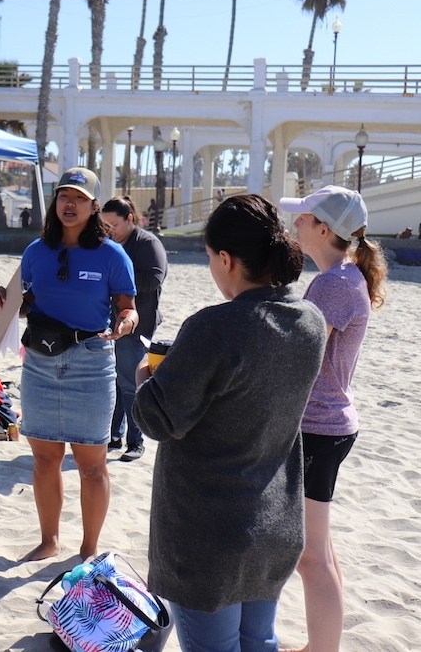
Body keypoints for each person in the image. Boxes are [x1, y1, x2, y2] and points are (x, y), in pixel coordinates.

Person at [132, 194, 327, 652]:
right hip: (275, 520)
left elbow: (158, 419)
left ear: (225, 258)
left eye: (210, 259)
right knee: (259, 642)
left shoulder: (215, 326)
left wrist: (145, 375)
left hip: (208, 532)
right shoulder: (310, 322)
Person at [0, 168, 138, 562]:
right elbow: (26, 305)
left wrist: (125, 324)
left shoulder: (112, 255)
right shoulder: (36, 251)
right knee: (44, 459)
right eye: (63, 197)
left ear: (93, 206)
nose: (69, 204)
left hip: (90, 363)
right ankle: (50, 541)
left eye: (79, 198)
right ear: (55, 204)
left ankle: (88, 549)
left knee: (91, 464)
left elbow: (128, 308)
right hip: (38, 362)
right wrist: (6, 303)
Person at [278, 186, 387, 652]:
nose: (293, 225)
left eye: (300, 219)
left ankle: (322, 649)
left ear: (323, 229)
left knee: (309, 558)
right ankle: (321, 645)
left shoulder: (334, 283)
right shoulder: (341, 276)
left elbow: (302, 356)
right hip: (330, 423)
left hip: (319, 427)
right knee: (319, 551)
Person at [99, 196, 167, 462]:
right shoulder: (109, 244)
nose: (108, 230)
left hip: (139, 325)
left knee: (130, 383)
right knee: (114, 381)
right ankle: (114, 436)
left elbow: (154, 278)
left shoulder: (148, 243)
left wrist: (116, 278)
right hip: (111, 322)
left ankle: (135, 442)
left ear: (130, 219)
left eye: (113, 224)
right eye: (104, 225)